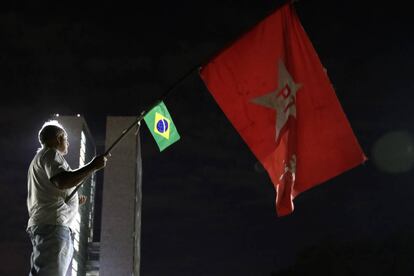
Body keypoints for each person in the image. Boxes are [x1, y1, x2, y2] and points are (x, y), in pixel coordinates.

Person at [26, 120, 108, 276]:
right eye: (66, 139)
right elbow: (62, 181)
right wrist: (93, 166)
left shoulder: (39, 159)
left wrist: (75, 199)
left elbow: (54, 188)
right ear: (58, 138)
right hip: (54, 225)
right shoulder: (50, 154)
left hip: (47, 224)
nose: (68, 144)